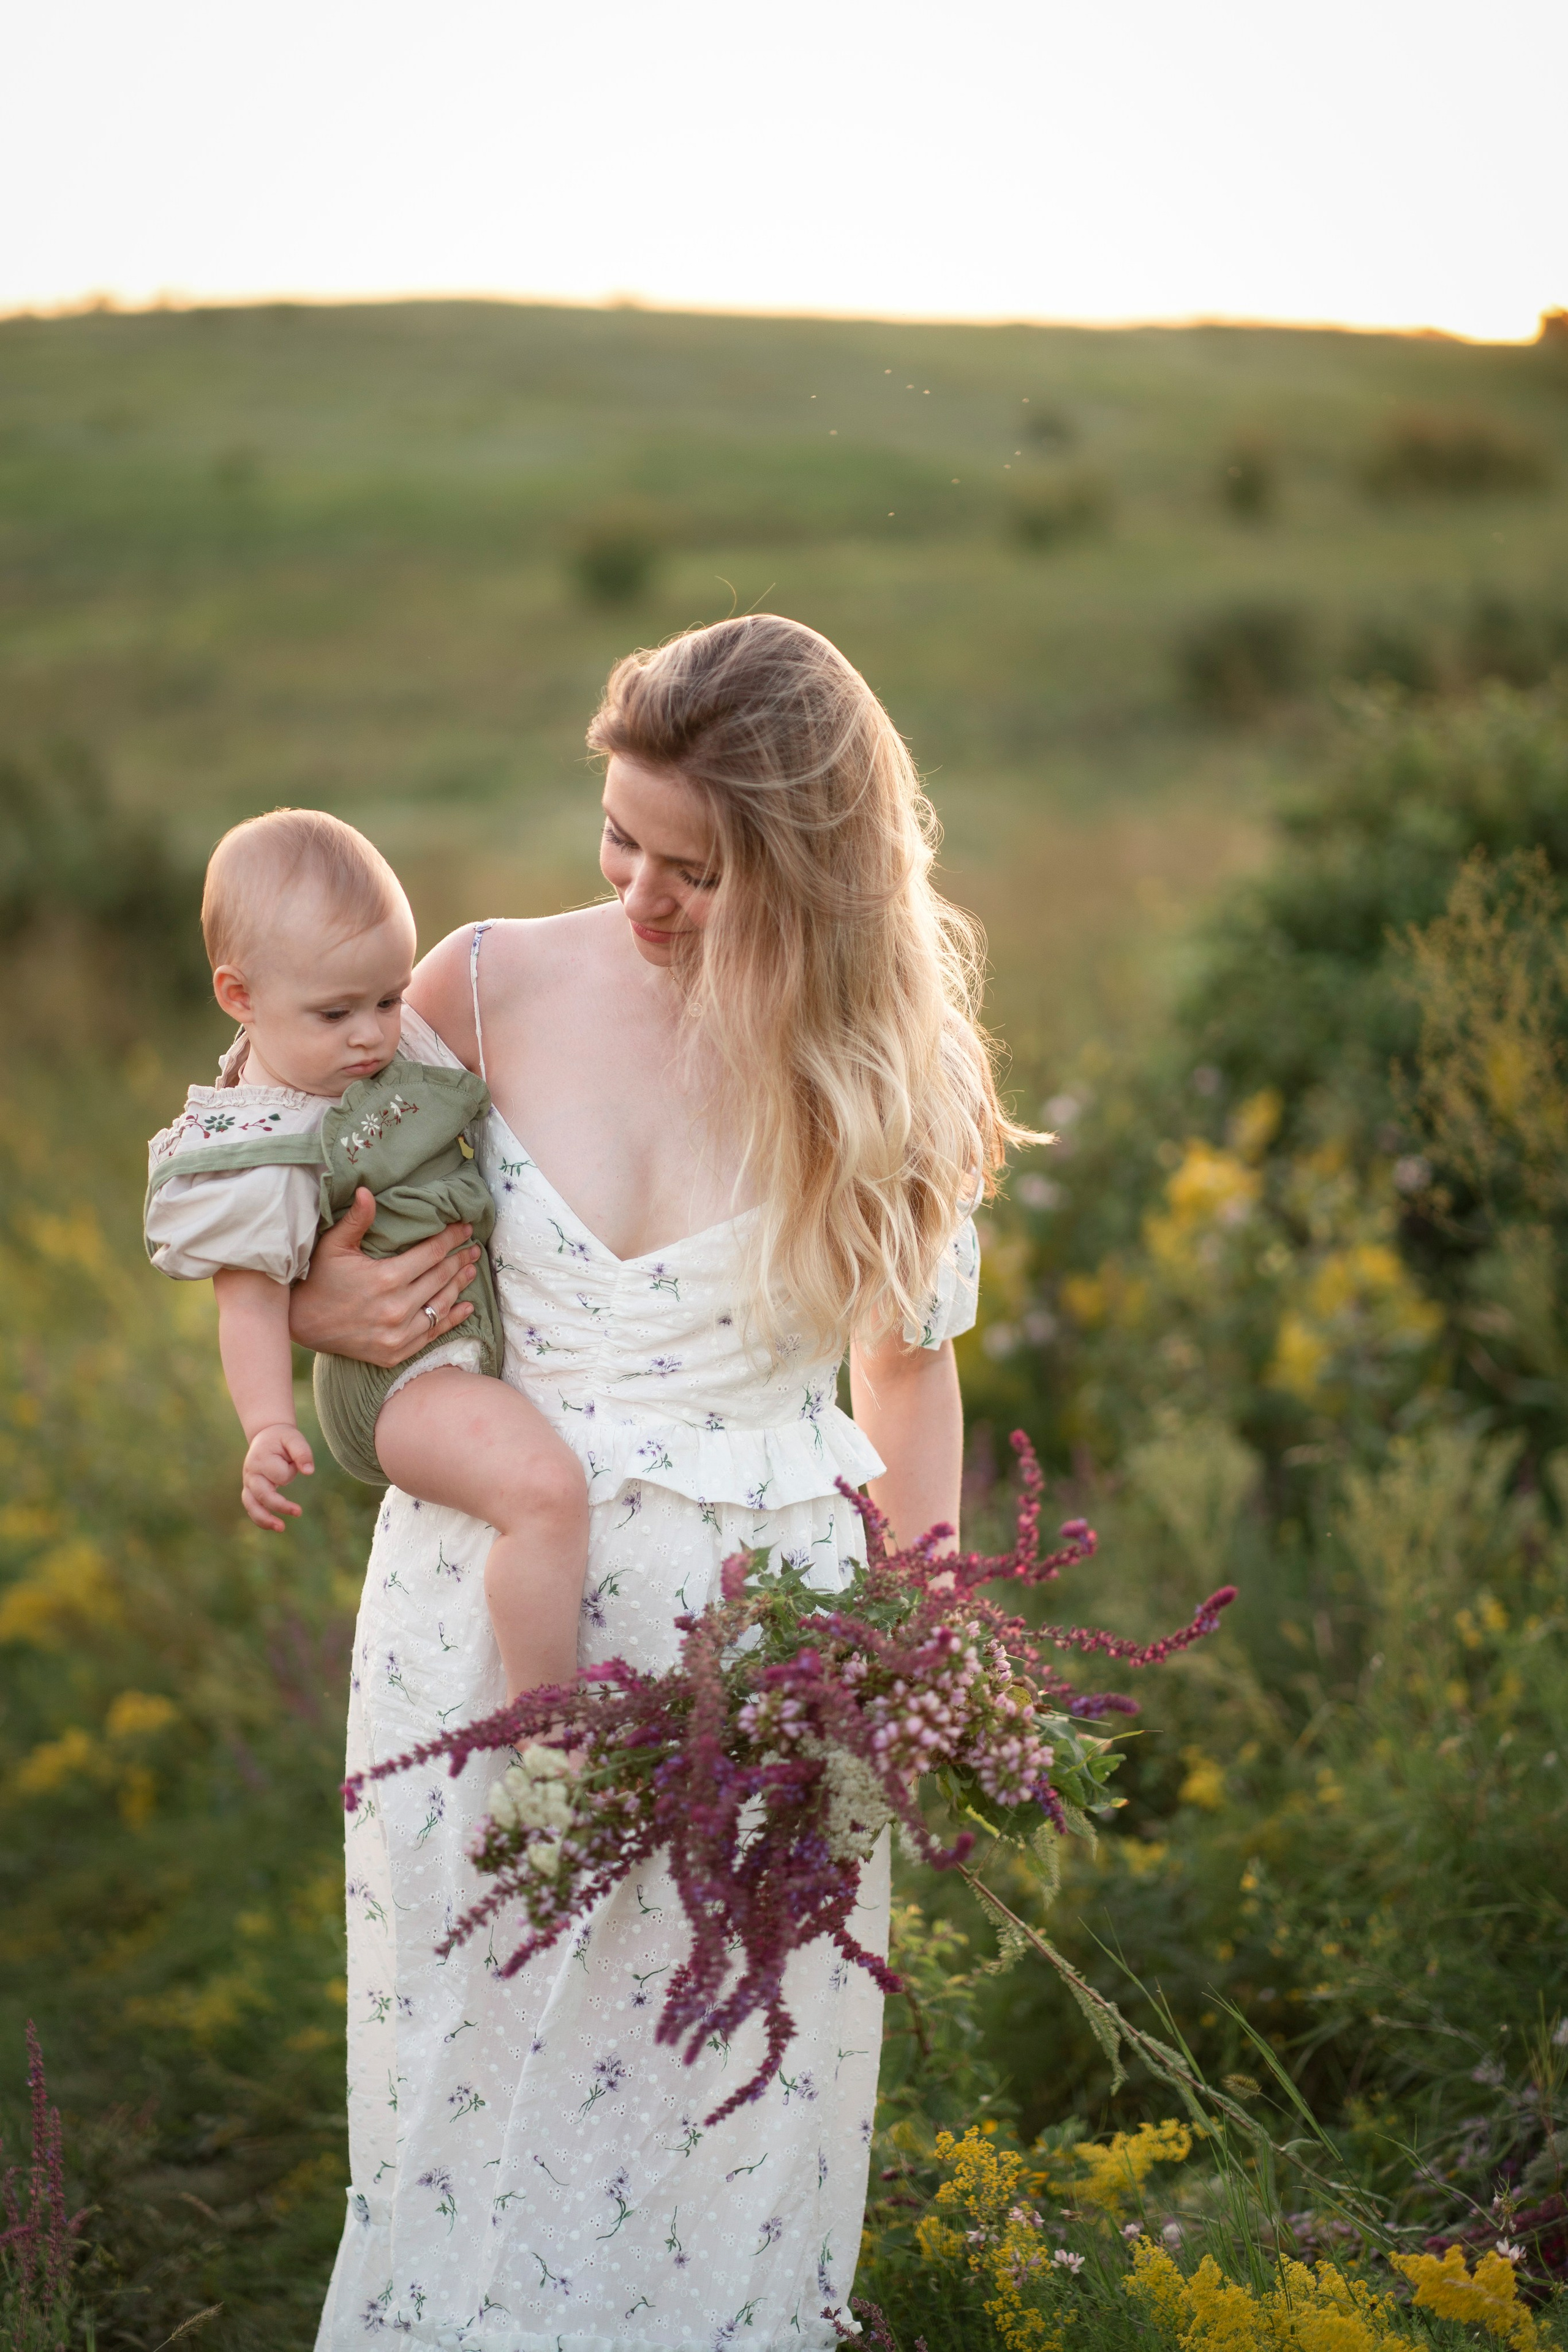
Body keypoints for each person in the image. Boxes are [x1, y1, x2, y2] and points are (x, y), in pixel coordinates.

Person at [292, 616, 1028, 2350]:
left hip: (763, 1660)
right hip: (481, 1650)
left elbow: (907, 1378)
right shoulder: (478, 983)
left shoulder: (888, 1067)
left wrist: (902, 1659)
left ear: (810, 869)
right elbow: (295, 1232)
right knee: (475, 2131)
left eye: (694, 868)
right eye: (618, 836)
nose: (639, 893)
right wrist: (324, 1304)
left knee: (711, 2143)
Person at [143, 809, 589, 1700]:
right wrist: (267, 1426)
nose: (372, 1034)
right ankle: (550, 1724)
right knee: (546, 1492)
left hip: (461, 1342)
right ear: (240, 998)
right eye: (337, 1012)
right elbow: (250, 1300)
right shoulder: (262, 1139)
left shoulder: (382, 1046)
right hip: (396, 1380)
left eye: (388, 999)